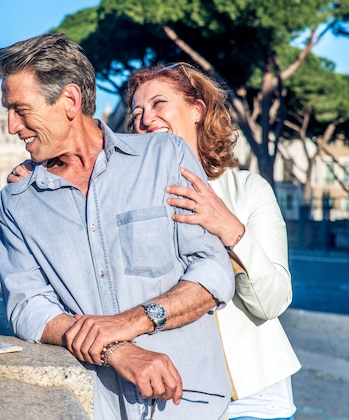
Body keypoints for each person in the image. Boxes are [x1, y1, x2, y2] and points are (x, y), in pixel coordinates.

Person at [0, 33, 234, 419]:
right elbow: (27, 307)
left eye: (21, 109)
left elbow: (213, 272)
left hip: (188, 403)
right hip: (90, 406)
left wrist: (129, 323)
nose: (11, 126)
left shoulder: (165, 157)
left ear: (70, 101)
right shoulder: (17, 203)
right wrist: (115, 349)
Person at [124, 63, 301, 419]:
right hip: (171, 399)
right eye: (138, 112)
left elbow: (272, 302)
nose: (145, 119)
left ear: (197, 110)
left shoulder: (249, 190)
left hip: (252, 397)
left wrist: (229, 228)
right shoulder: (127, 197)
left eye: (159, 104)